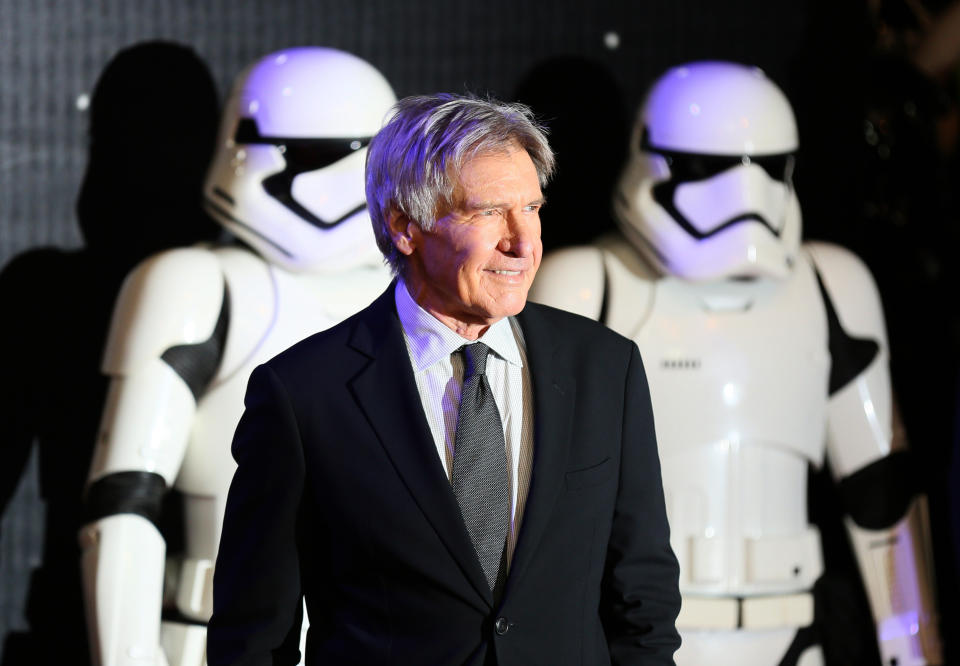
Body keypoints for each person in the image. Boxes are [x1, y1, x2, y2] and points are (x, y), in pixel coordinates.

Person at [207, 93, 682, 665]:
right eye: (488, 212)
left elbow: (643, 600)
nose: (523, 243)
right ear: (406, 226)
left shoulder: (606, 369)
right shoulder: (304, 395)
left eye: (531, 208)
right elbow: (253, 637)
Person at [530, 61, 942, 665]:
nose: (745, 197)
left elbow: (881, 493)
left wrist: (912, 642)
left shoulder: (829, 284)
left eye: (769, 168)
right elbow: (536, 502)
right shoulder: (587, 285)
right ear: (653, 159)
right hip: (644, 635)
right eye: (707, 169)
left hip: (792, 632)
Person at [78, 47, 395, 666]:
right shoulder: (199, 284)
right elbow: (124, 500)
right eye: (313, 152)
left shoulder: (407, 292)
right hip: (216, 637)